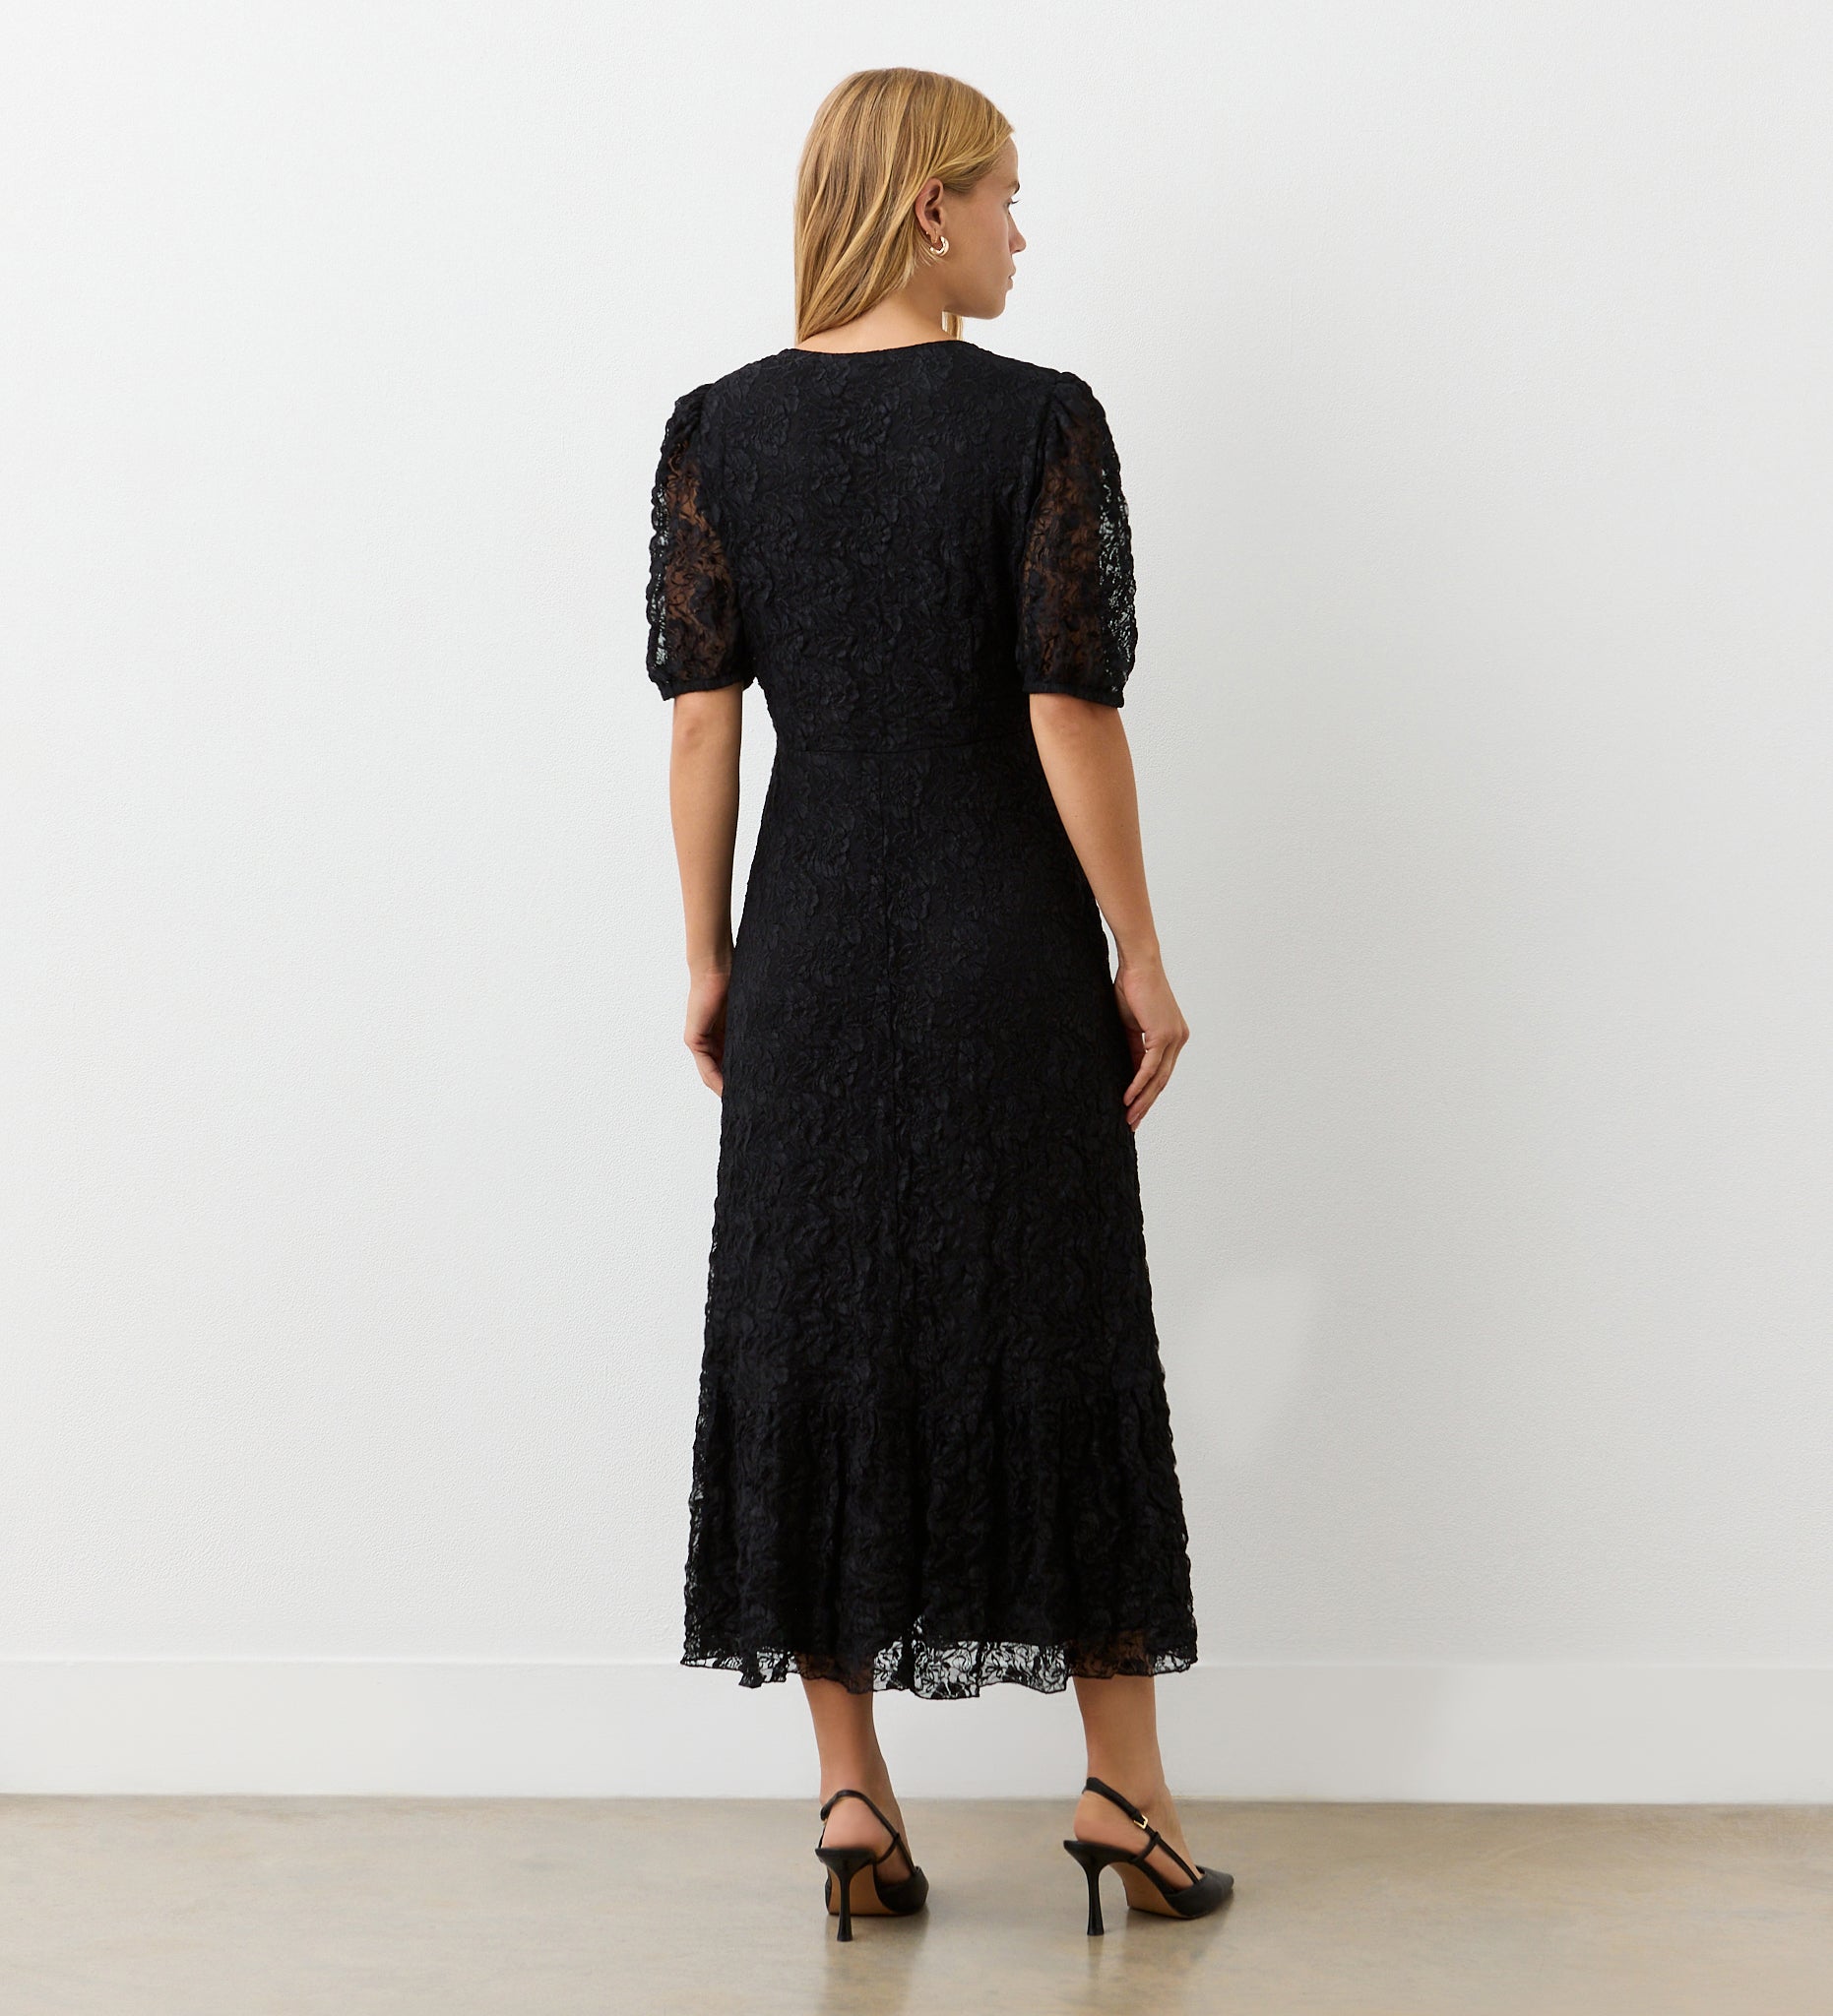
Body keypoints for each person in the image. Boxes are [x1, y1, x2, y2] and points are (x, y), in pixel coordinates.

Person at [645, 66, 1232, 1940]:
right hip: (996, 942)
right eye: (1000, 200)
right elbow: (1071, 709)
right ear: (926, 211)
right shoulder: (1038, 422)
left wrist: (708, 956)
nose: (1018, 232)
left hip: (806, 939)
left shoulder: (715, 431)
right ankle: (1121, 1793)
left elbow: (699, 724)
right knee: (1053, 1327)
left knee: (809, 1332)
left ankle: (849, 1797)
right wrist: (1138, 950)